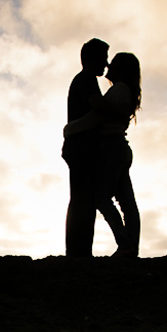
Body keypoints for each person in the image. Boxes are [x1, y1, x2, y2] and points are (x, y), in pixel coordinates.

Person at [63, 51, 142, 258]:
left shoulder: (119, 90)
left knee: (101, 198)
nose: (108, 66)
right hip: (119, 148)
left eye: (113, 63)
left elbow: (97, 116)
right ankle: (130, 249)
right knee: (127, 202)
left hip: (113, 148)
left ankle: (125, 244)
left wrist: (70, 129)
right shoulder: (124, 90)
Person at [62, 38, 109, 258]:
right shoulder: (87, 79)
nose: (106, 64)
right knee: (84, 201)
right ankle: (79, 252)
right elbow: (99, 108)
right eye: (103, 57)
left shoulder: (83, 79)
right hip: (82, 147)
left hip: (78, 146)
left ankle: (78, 251)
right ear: (92, 58)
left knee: (82, 199)